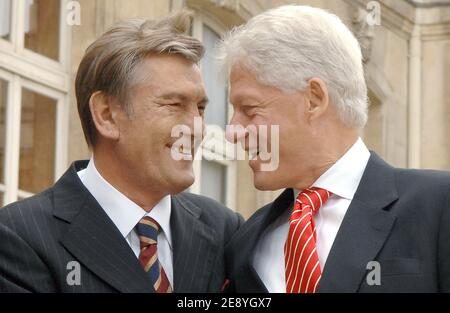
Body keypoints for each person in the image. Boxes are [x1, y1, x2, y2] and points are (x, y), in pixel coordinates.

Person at [0, 11, 243, 293]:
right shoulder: (19, 238)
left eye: (200, 108)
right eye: (173, 105)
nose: (197, 128)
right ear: (106, 115)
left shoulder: (225, 229)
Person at [218, 5, 450, 292]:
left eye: (249, 110)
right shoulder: (245, 243)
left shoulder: (439, 205)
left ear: (313, 99)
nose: (232, 132)